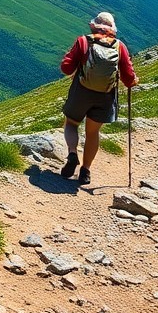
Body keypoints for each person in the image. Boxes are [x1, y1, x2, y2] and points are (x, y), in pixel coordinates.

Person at [58, 11, 137, 185]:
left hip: (82, 91)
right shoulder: (119, 46)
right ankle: (85, 172)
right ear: (112, 29)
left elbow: (66, 68)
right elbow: (129, 78)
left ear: (94, 25)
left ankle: (72, 153)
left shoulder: (83, 41)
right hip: (105, 96)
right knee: (93, 132)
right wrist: (134, 80)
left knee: (71, 123)